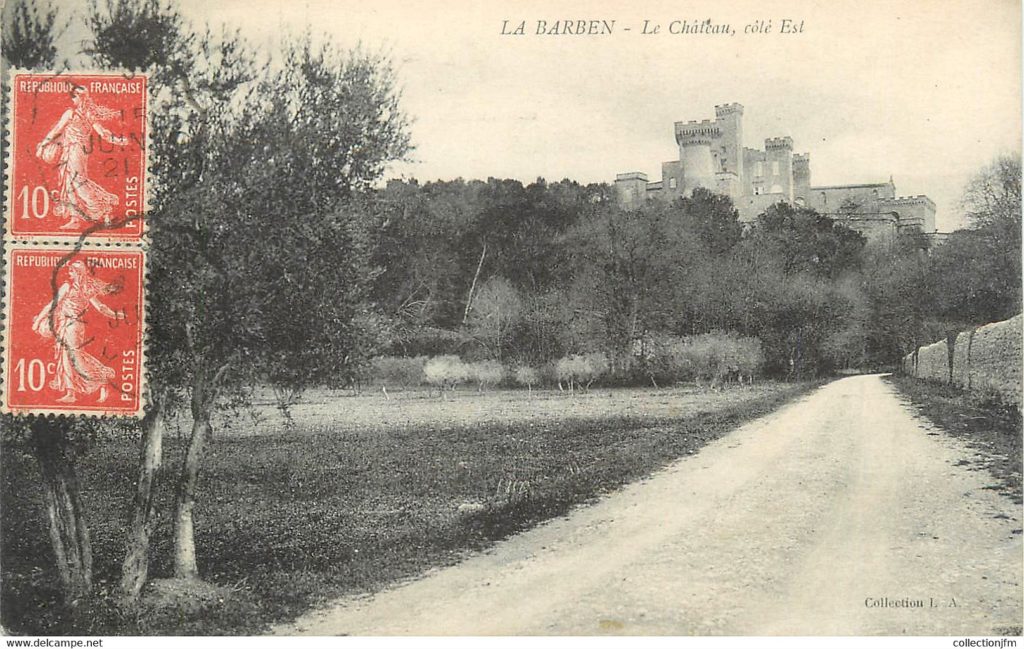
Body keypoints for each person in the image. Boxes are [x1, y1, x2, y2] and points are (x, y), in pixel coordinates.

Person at [31, 261, 125, 403]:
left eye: (71, 272)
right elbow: (102, 308)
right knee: (69, 356)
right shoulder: (86, 289)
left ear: (77, 273)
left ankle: (98, 380)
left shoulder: (67, 287)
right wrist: (118, 315)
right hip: (73, 326)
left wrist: (38, 321)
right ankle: (74, 391)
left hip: (70, 326)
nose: (69, 274)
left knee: (74, 357)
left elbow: (52, 305)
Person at [35, 86, 126, 228]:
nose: (74, 99)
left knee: (77, 182)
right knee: (69, 182)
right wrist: (118, 141)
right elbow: (104, 134)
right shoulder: (89, 114)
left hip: (74, 150)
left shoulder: (71, 113)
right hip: (76, 151)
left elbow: (56, 130)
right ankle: (75, 219)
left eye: (76, 96)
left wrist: (43, 145)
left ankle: (105, 208)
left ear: (77, 98)